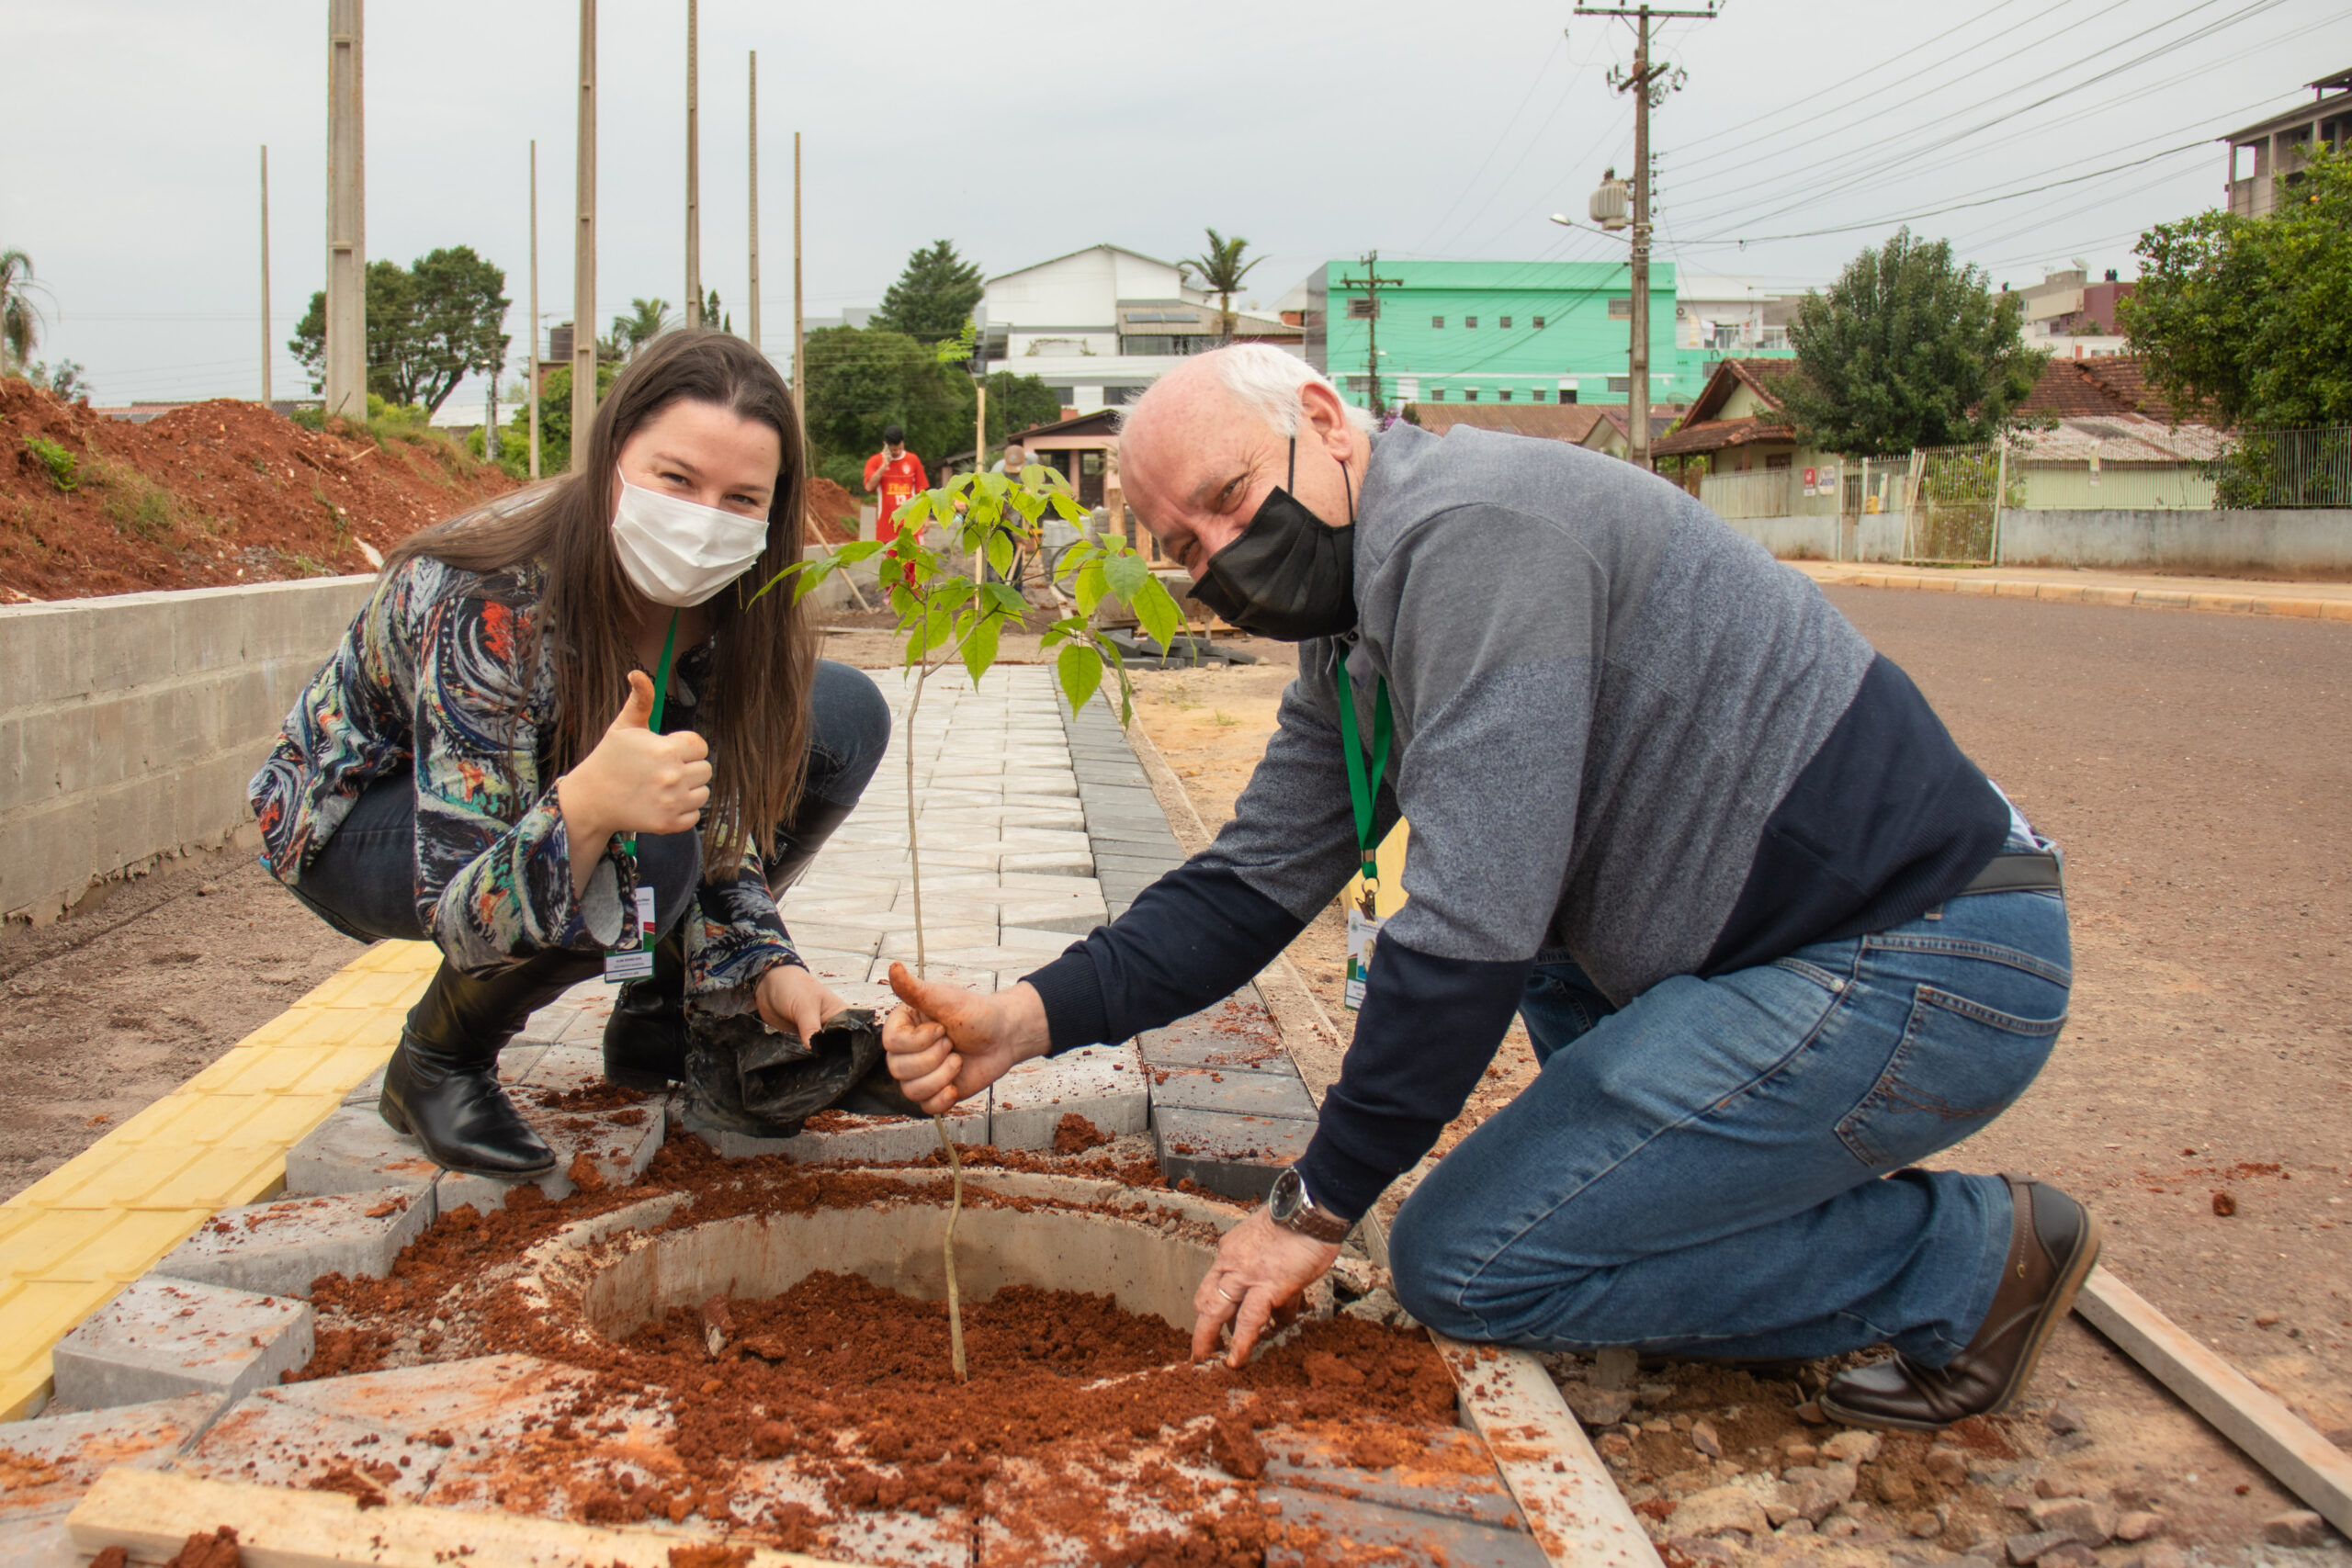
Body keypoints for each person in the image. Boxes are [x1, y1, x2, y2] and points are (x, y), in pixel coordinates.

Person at [880, 344, 2094, 1434]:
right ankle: (1731, 1196)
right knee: (1549, 1001)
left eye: (1230, 498)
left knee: (1467, 1262)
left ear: (1325, 420)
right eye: (1187, 547)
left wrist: (1313, 1208)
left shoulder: (1474, 532)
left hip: (1920, 959)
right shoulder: (1356, 627)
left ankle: (1968, 1262)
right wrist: (1024, 1019)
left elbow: (1468, 925)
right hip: (1780, 953)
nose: (1222, 556)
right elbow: (1249, 884)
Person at [252, 331, 891, 1179]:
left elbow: (717, 808)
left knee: (841, 716)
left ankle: (666, 1013)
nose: (704, 519)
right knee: (646, 846)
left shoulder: (736, 603)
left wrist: (766, 966)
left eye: (741, 498)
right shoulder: (493, 601)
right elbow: (462, 913)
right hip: (366, 818)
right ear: (613, 453)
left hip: (540, 789)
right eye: (677, 479)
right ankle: (438, 1059)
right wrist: (585, 807)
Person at [863, 423, 928, 547]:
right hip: (887, 528)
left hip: (911, 525)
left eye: (899, 449)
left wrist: (925, 517)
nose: (896, 452)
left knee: (917, 559)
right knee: (890, 560)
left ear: (903, 443)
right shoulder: (875, 461)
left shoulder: (913, 460)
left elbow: (921, 491)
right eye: (893, 450)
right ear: (885, 445)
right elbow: (869, 487)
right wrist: (883, 466)